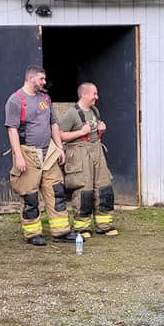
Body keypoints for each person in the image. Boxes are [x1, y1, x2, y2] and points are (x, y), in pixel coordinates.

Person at [4, 65, 76, 246]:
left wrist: (59, 148)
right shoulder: (16, 100)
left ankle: (61, 231)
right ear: (30, 78)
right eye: (41, 79)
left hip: (49, 152)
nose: (45, 82)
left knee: (56, 191)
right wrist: (18, 156)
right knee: (30, 196)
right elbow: (12, 130)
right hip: (28, 153)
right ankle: (32, 233)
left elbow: (54, 125)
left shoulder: (45, 98)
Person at [59, 82, 117, 237]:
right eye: (94, 94)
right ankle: (82, 228)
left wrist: (100, 131)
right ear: (84, 94)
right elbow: (59, 135)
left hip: (97, 151)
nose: (96, 98)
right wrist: (80, 132)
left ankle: (104, 225)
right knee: (84, 190)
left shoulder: (95, 111)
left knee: (104, 187)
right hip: (79, 155)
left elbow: (93, 133)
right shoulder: (71, 114)